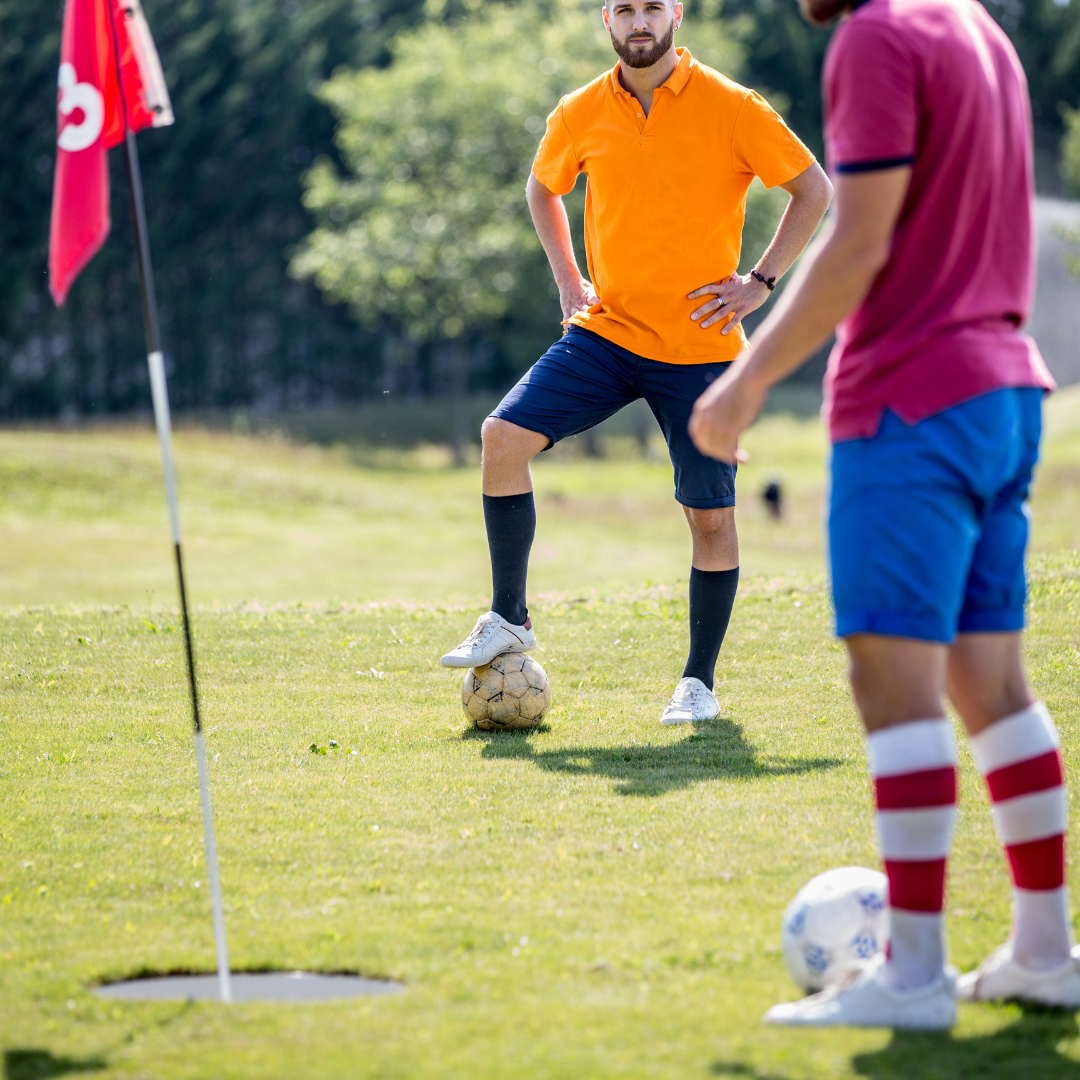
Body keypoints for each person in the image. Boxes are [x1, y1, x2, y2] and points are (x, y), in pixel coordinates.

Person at [689, 0, 1070, 1029]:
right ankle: (1045, 950)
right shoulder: (979, 29)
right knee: (993, 685)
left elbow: (858, 243)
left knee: (893, 685)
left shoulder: (876, 35)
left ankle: (912, 977)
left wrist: (742, 385)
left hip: (911, 399)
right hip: (1001, 391)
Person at [439, 0, 832, 724]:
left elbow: (814, 190)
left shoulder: (733, 106)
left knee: (709, 519)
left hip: (700, 348)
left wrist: (760, 283)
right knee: (502, 438)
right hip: (607, 332)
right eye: (625, 9)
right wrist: (565, 276)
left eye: (652, 6)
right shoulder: (580, 109)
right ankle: (509, 616)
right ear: (606, 20)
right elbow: (542, 186)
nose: (639, 21)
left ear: (675, 14)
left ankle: (698, 685)